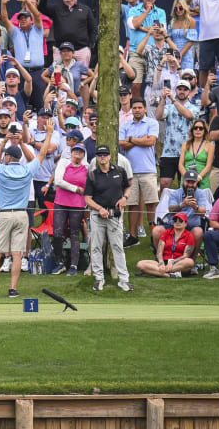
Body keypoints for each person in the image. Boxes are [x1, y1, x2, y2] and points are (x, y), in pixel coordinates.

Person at [0, 117, 53, 298]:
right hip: (21, 215)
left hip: (4, 215)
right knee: (17, 254)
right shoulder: (27, 170)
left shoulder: (1, 169)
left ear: (8, 157)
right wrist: (50, 133)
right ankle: (12, 289)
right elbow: (42, 154)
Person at [84, 145, 133, 291]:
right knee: (96, 247)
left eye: (105, 154)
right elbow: (87, 198)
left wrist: (124, 198)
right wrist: (99, 208)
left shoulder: (119, 171)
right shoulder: (93, 175)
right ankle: (99, 278)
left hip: (115, 215)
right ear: (97, 157)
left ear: (110, 156)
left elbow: (128, 187)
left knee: (118, 246)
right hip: (97, 215)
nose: (102, 157)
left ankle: (124, 279)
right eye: (99, 155)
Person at [119, 97, 159, 247]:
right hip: (130, 170)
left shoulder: (152, 123)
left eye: (139, 107)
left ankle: (154, 233)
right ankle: (133, 236)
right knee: (132, 204)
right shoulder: (125, 125)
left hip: (148, 169)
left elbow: (150, 142)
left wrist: (130, 139)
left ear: (145, 108)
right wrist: (139, 139)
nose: (137, 110)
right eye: (134, 108)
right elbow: (121, 144)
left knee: (151, 203)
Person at [38, 0, 96, 66]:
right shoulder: (56, 8)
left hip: (80, 50)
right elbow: (41, 8)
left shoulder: (85, 9)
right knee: (58, 77)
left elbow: (93, 29)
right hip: (60, 50)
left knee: (82, 77)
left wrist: (90, 47)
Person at [51, 144, 88, 276]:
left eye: (80, 152)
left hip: (77, 204)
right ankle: (59, 262)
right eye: (75, 151)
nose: (77, 154)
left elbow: (89, 185)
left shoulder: (87, 167)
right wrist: (76, 189)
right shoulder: (63, 162)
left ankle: (74, 265)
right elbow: (58, 181)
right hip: (61, 202)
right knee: (57, 232)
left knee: (74, 233)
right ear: (71, 153)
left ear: (83, 155)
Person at [157, 79, 200, 191]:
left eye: (185, 89)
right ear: (175, 90)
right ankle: (164, 207)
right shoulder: (169, 107)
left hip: (188, 153)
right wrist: (163, 99)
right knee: (164, 183)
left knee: (187, 184)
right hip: (169, 152)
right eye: (179, 89)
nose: (182, 91)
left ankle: (185, 207)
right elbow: (158, 115)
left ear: (189, 92)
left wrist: (173, 99)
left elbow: (189, 115)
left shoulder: (194, 107)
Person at [138, 212, 195, 278]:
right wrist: (161, 263)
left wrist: (172, 262)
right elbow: (159, 252)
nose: (177, 222)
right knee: (140, 264)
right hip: (164, 261)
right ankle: (169, 275)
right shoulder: (166, 232)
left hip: (178, 262)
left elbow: (186, 255)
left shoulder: (189, 235)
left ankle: (158, 272)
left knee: (190, 262)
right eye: (175, 220)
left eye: (181, 220)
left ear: (185, 223)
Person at [180, 119, 214, 190]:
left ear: (204, 131)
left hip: (202, 179)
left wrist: (198, 178)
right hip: (186, 179)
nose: (198, 130)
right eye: (195, 128)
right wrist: (187, 177)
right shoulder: (185, 144)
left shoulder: (210, 145)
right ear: (192, 130)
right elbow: (180, 164)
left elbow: (208, 166)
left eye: (201, 128)